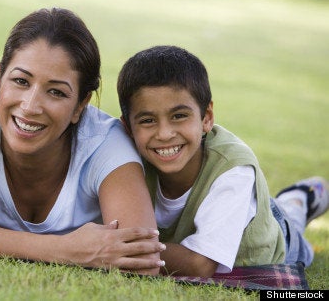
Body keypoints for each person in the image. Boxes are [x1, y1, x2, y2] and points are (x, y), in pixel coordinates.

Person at [0, 7, 165, 274]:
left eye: (56, 92)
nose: (30, 106)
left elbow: (143, 261)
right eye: (20, 81)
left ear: (81, 105)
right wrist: (67, 250)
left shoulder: (105, 144)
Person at [116, 45, 329, 277]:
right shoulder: (124, 161)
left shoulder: (233, 170)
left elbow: (199, 265)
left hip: (276, 238)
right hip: (234, 207)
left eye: (179, 116)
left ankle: (300, 199)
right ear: (127, 127)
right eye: (147, 120)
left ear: (206, 118)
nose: (165, 133)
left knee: (291, 226)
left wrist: (115, 248)